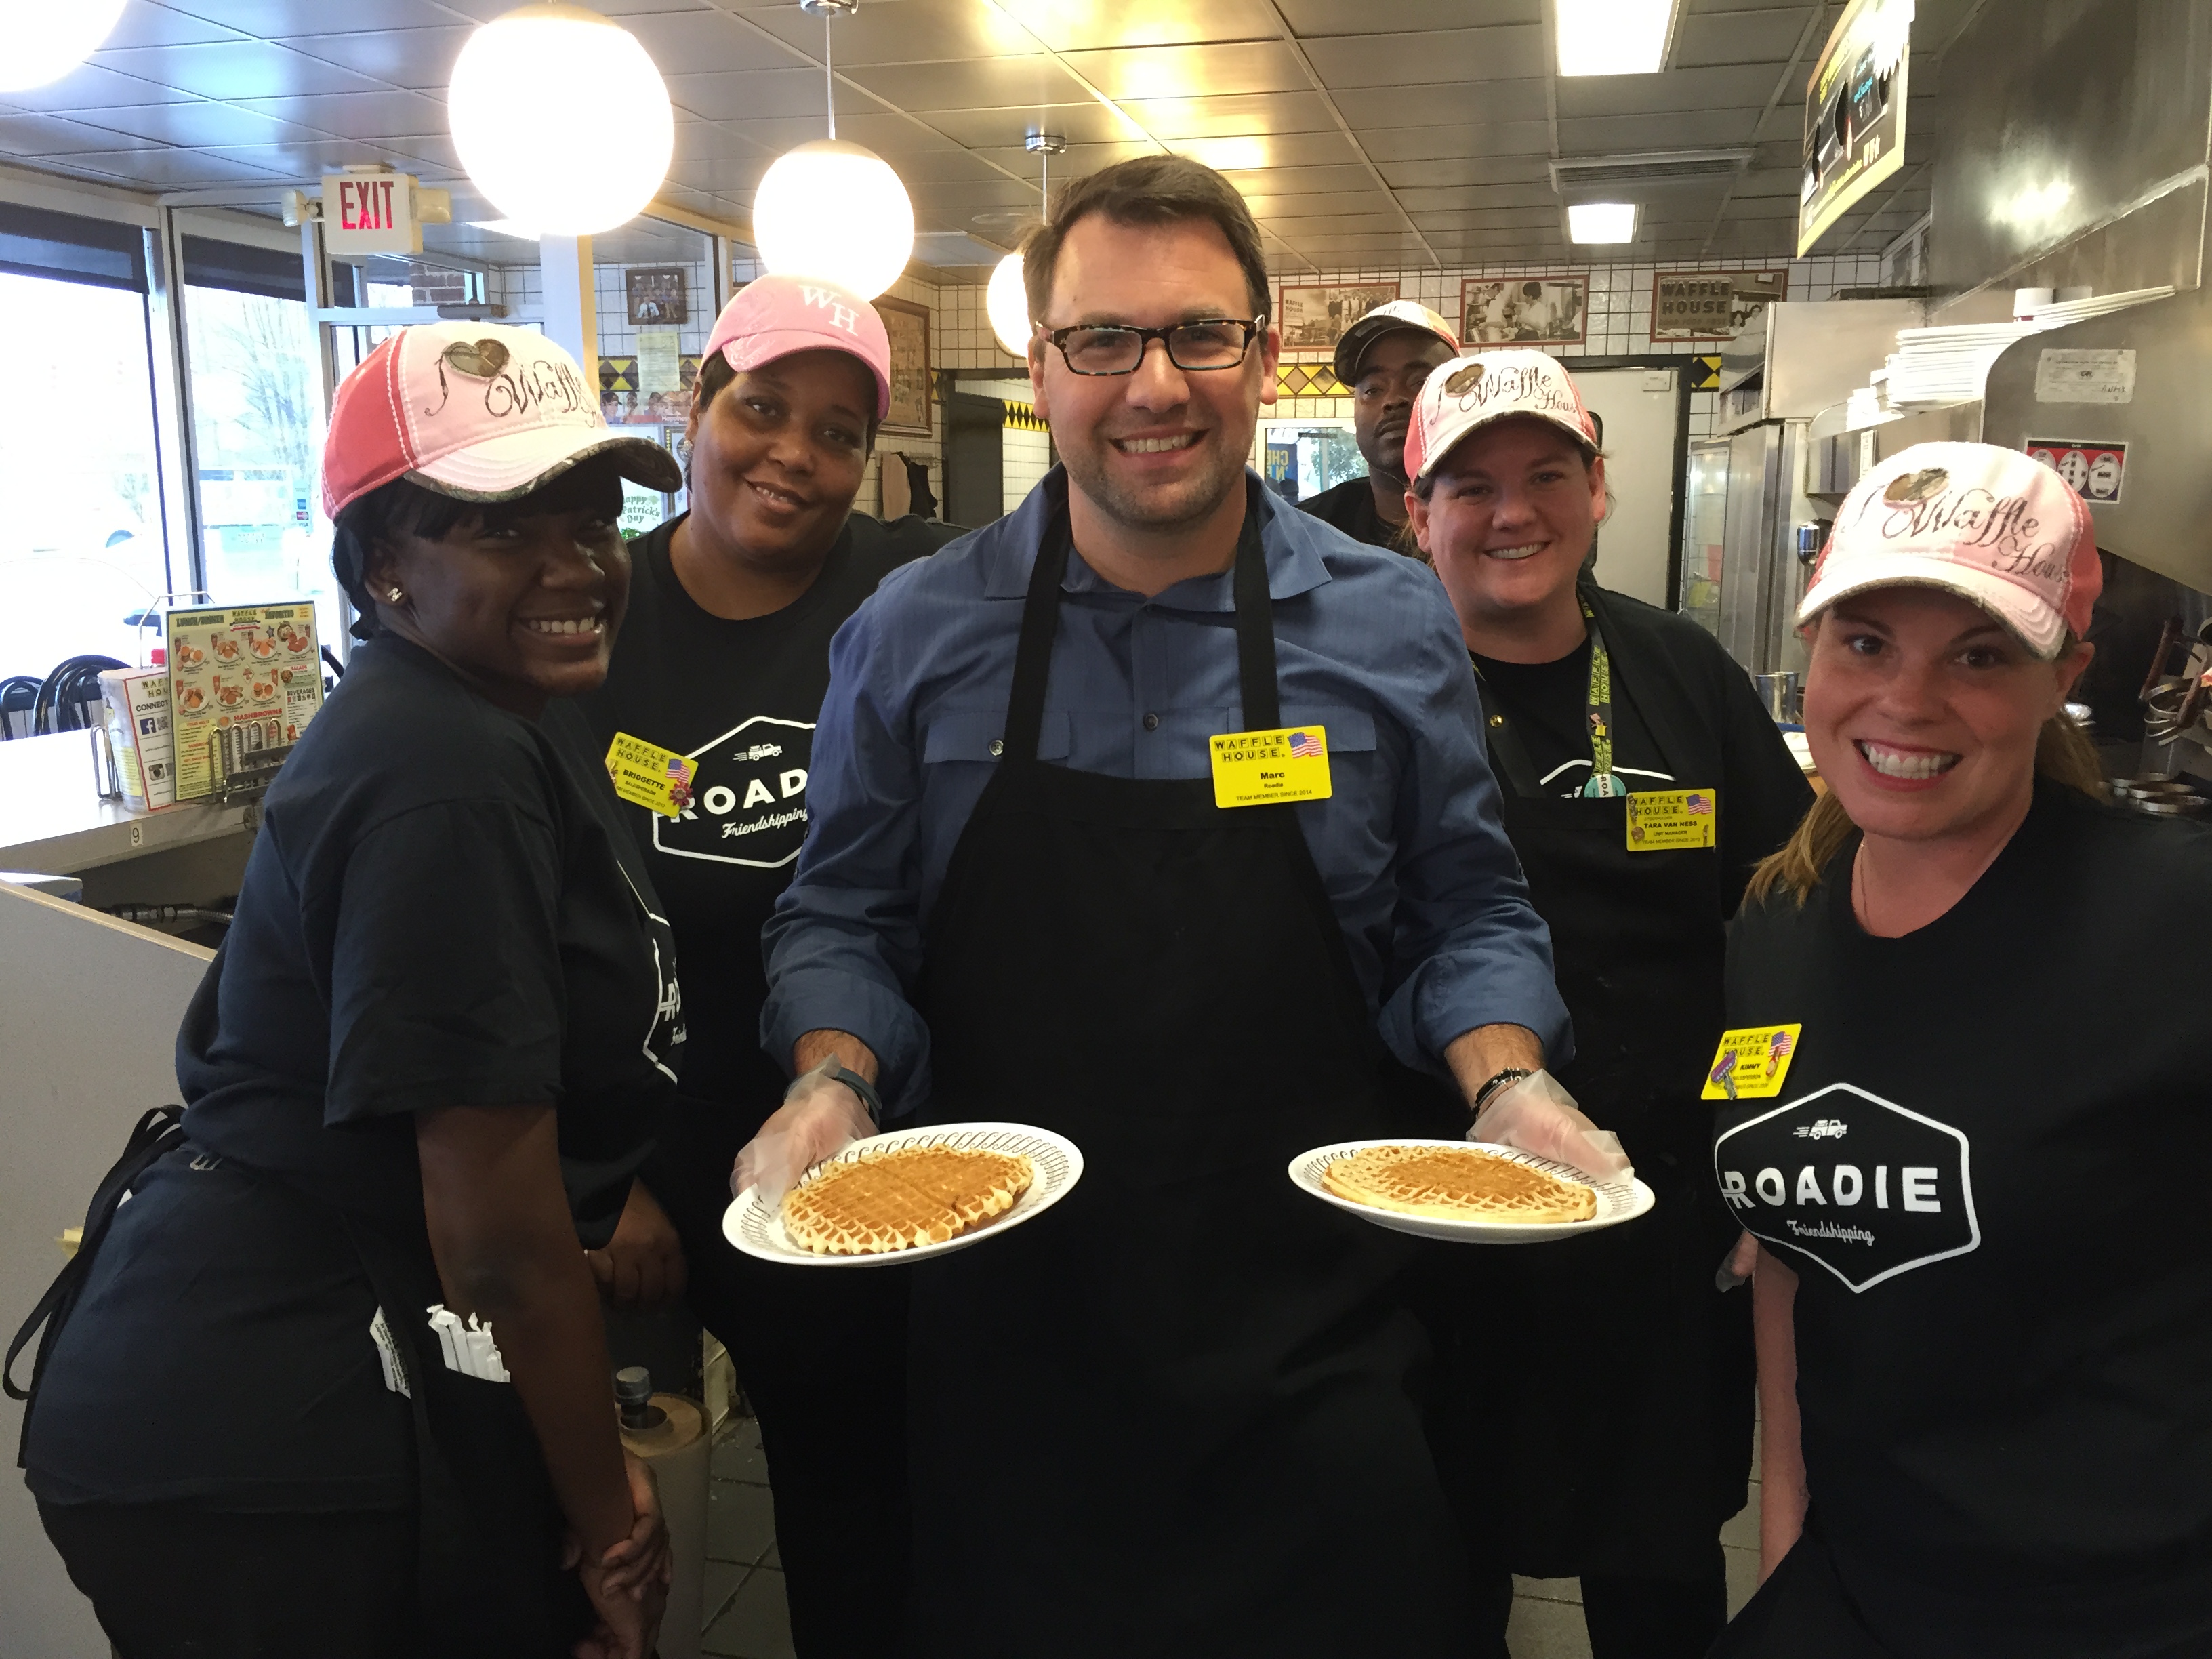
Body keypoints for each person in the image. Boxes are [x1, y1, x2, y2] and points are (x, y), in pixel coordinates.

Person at [744, 153, 1626, 1658]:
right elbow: (843, 915)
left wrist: (1511, 1082)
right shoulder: (914, 632)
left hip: (1317, 1337)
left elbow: (1464, 908)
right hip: (1011, 1339)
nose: (1154, 384)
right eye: (1104, 341)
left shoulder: (1390, 616)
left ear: (1261, 355)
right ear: (1041, 368)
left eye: (1199, 336)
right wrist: (832, 1078)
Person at [14, 323, 687, 1659]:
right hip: (263, 1417)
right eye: (506, 531)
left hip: (299, 1368)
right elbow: (493, 1238)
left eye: (593, 517)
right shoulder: (442, 773)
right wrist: (609, 1510)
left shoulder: (487, 721)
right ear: (384, 570)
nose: (577, 566)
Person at [1711, 442, 2212, 1658]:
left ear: (2063, 678)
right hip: (1855, 1587)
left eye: (1977, 655)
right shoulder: (1778, 917)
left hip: (2122, 1609)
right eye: (1864, 642)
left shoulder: (2170, 923)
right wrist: (1784, 1556)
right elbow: (1787, 1269)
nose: (1904, 700)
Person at [1399, 348, 1811, 1659]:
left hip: (1663, 1202)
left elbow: (1783, 919)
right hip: (1436, 1196)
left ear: (1598, 489)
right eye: (1469, 484)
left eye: (1545, 475)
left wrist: (1755, 1143)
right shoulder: (1368, 683)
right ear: (1415, 512)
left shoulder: (1679, 670)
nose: (1510, 511)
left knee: (1656, 1549)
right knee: (1434, 1535)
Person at [571, 272, 959, 1654]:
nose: (795, 455)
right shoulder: (591, 615)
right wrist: (601, 1181)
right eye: (763, 409)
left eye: (840, 433)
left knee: (856, 1501)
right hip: (649, 1167)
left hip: (862, 1141)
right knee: (614, 1510)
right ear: (698, 406)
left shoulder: (915, 598)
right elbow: (541, 914)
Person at [1300, 299, 1459, 548]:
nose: (1394, 400)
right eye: (1373, 389)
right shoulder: (1306, 534)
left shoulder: (1501, 524)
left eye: (1419, 382)